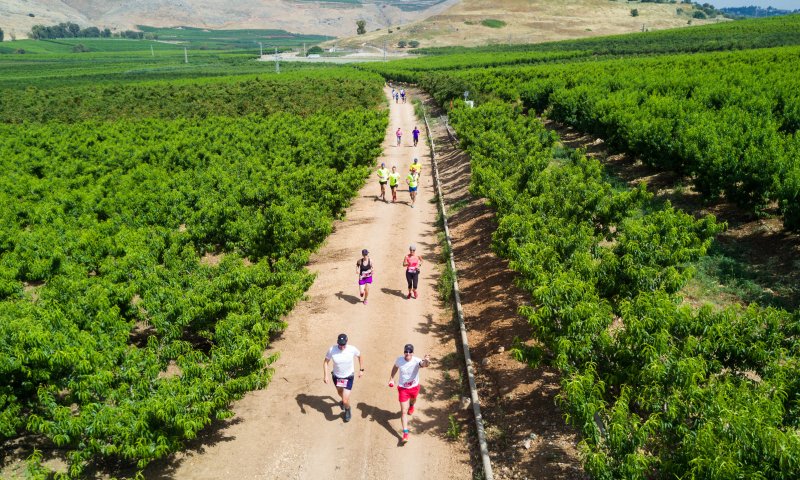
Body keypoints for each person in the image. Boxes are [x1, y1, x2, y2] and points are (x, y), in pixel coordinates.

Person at [388, 344, 431, 444]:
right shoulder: (399, 360)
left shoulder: (416, 361)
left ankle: (412, 405)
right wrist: (391, 378)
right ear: (404, 352)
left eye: (410, 352)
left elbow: (424, 364)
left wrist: (427, 361)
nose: (407, 354)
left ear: (412, 353)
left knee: (413, 400)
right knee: (403, 411)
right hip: (403, 388)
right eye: (406, 352)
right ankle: (405, 433)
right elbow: (395, 367)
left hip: (414, 387)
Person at [323, 333, 364, 423]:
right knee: (340, 392)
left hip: (348, 377)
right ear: (337, 342)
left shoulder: (352, 349)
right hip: (337, 377)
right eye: (340, 344)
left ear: (346, 342)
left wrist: (361, 370)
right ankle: (344, 402)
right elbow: (326, 362)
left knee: (345, 400)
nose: (341, 346)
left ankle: (348, 409)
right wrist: (326, 375)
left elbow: (360, 356)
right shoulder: (332, 350)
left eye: (343, 344)